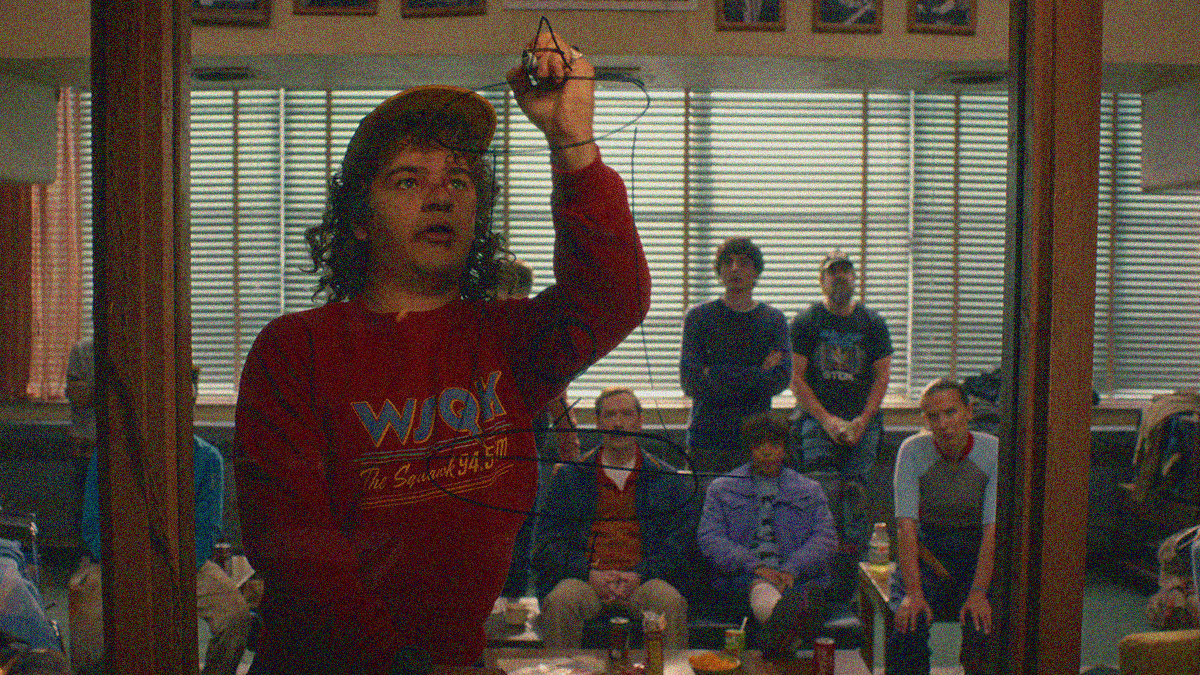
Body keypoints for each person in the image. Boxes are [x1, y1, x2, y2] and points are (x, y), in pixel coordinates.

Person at [232, 28, 651, 674]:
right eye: (408, 180)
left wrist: (571, 140)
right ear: (359, 218)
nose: (441, 194)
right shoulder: (294, 350)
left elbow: (613, 298)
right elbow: (299, 552)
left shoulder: (502, 341)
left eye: (459, 178)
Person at [78, 366, 253, 675]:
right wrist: (127, 566)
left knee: (236, 615)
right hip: (118, 562)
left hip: (184, 564)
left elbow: (207, 529)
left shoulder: (208, 459)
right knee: (88, 614)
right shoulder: (110, 454)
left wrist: (173, 570)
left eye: (189, 404)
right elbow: (92, 523)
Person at [532, 388, 692, 649]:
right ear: (598, 423)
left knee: (670, 602)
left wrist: (640, 574)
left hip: (643, 581)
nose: (618, 423)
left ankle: (668, 668)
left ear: (640, 422)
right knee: (561, 601)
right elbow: (547, 544)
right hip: (586, 581)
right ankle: (560, 668)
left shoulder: (667, 479)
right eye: (609, 415)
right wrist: (589, 574)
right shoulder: (570, 477)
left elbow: (679, 545)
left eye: (626, 414)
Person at [789, 249, 892, 598]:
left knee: (857, 503)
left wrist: (862, 421)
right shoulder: (805, 322)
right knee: (821, 501)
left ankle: (854, 592)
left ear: (855, 278)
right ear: (822, 280)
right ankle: (817, 587)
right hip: (817, 424)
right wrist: (827, 420)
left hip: (864, 425)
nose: (840, 276)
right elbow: (795, 378)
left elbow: (881, 377)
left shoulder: (873, 323)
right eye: (833, 271)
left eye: (846, 270)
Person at [696, 412, 837, 658]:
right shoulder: (722, 488)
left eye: (774, 444)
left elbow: (825, 539)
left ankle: (781, 631)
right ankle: (786, 631)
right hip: (742, 578)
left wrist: (792, 569)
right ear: (748, 449)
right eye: (758, 445)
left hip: (796, 579)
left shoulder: (809, 490)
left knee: (806, 595)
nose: (767, 452)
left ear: (785, 449)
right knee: (762, 588)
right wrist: (755, 566)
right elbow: (710, 538)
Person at [887, 378, 997, 675]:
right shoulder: (912, 450)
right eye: (933, 416)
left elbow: (992, 530)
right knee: (907, 626)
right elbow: (906, 527)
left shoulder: (992, 451)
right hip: (928, 552)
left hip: (975, 551)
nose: (943, 424)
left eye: (951, 412)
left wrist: (978, 593)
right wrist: (913, 592)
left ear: (968, 412)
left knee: (984, 628)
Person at [495, 259, 582, 606]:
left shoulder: (536, 332)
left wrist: (568, 441)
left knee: (523, 522)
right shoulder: (481, 329)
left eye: (520, 292)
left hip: (527, 443)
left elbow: (557, 391)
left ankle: (513, 601)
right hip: (485, 440)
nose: (513, 299)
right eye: (506, 291)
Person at [680, 238, 791, 476]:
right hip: (706, 436)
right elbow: (690, 381)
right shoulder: (699, 317)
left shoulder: (773, 320)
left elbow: (779, 379)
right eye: (727, 263)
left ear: (756, 271)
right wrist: (758, 373)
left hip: (756, 440)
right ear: (719, 271)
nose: (734, 269)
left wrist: (714, 372)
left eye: (743, 263)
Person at [64, 337, 95, 547]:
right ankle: (86, 555)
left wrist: (91, 388)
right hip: (86, 445)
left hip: (122, 447)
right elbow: (78, 397)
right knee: (86, 508)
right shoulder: (82, 350)